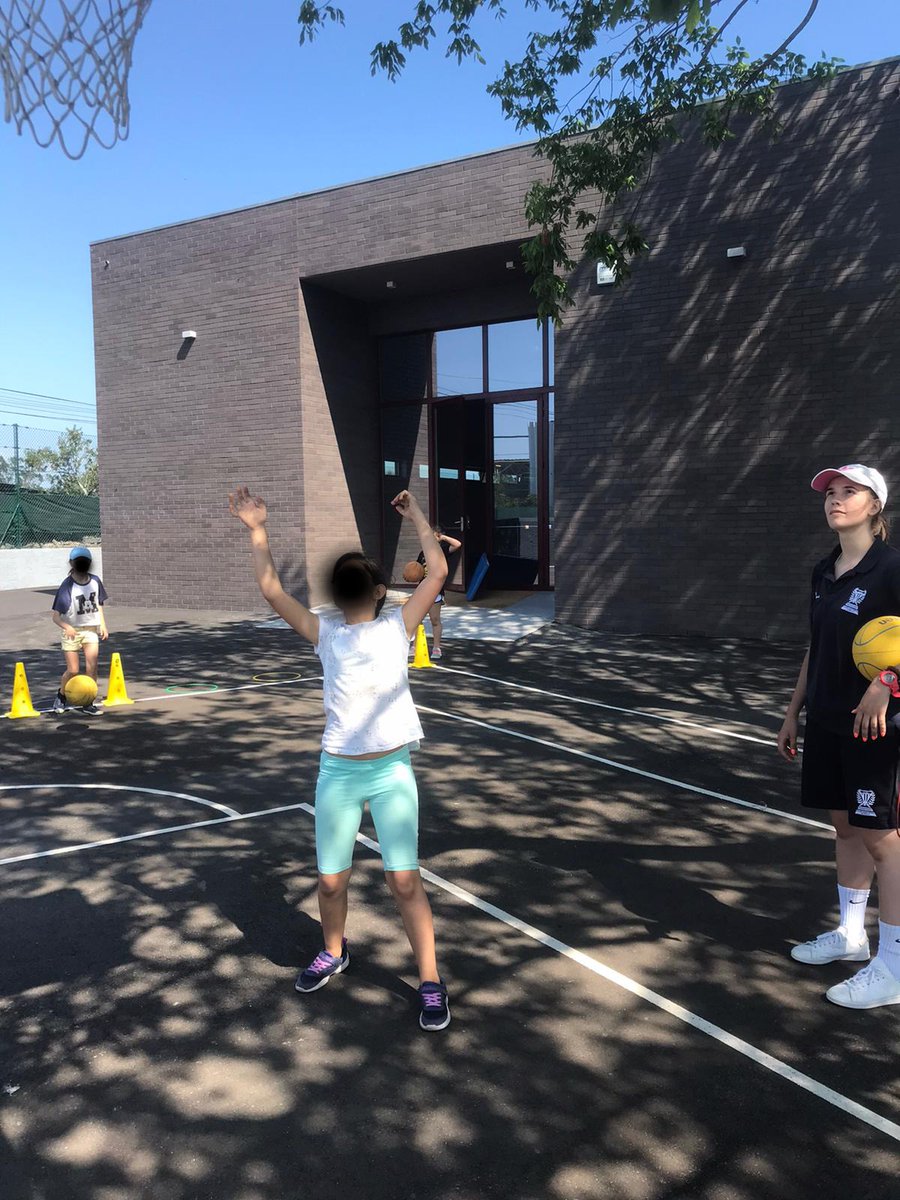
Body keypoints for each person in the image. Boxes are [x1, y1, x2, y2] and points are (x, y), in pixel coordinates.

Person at [228, 484, 452, 1031]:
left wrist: (418, 516)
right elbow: (272, 591)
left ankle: (430, 980)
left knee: (404, 881)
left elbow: (440, 572)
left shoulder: (399, 626)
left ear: (377, 591)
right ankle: (334, 950)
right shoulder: (324, 633)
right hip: (339, 773)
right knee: (330, 881)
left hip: (392, 772)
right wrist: (258, 531)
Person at [777, 464, 900, 1009]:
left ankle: (894, 966)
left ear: (875, 506)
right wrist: (793, 711)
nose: (836, 499)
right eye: (831, 492)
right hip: (827, 721)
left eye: (850, 492)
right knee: (845, 828)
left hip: (875, 728)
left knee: (884, 840)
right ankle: (851, 935)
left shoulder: (892, 569)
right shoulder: (824, 571)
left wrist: (889, 682)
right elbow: (816, 646)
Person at [51, 546, 109, 715]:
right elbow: (56, 617)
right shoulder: (67, 586)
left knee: (92, 668)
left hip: (90, 630)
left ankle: (88, 701)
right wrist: (67, 627)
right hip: (72, 632)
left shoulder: (95, 581)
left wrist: (103, 624)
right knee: (73, 670)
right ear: (72, 564)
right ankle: (61, 695)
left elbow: (99, 604)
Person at [415, 526, 462, 660]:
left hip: (435, 590)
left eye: (433, 536)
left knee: (435, 620)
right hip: (422, 589)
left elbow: (458, 544)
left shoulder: (442, 551)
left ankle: (436, 647)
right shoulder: (422, 553)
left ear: (439, 537)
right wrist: (412, 574)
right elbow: (418, 570)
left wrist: (443, 537)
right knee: (417, 619)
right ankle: (415, 645)